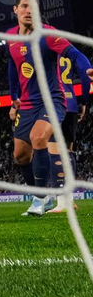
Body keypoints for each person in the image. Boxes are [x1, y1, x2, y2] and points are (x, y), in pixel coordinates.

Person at [7, 0, 72, 216]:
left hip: (53, 99)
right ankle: (42, 196)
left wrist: (87, 69)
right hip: (26, 104)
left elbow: (74, 53)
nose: (28, 11)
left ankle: (40, 199)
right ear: (15, 9)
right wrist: (13, 99)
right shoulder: (10, 37)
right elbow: (12, 67)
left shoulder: (48, 34)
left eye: (32, 7)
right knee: (20, 156)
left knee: (39, 138)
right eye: (24, 6)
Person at [48, 43, 93, 213]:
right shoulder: (70, 52)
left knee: (54, 152)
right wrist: (83, 102)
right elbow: (85, 76)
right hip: (71, 105)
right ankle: (70, 199)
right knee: (68, 152)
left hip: (54, 104)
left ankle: (61, 202)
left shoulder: (44, 51)